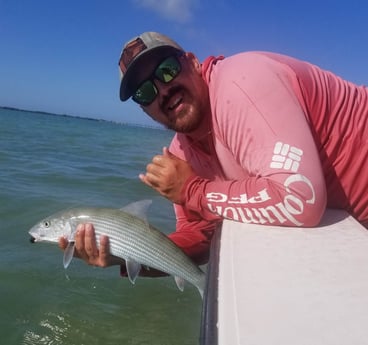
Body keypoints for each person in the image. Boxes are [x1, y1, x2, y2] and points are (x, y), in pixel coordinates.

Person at [59, 31, 368, 274]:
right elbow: (202, 236)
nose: (163, 90)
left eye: (167, 71)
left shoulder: (241, 82)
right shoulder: (180, 152)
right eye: (146, 91)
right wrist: (128, 253)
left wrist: (193, 189)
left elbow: (300, 199)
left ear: (193, 63)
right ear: (145, 110)